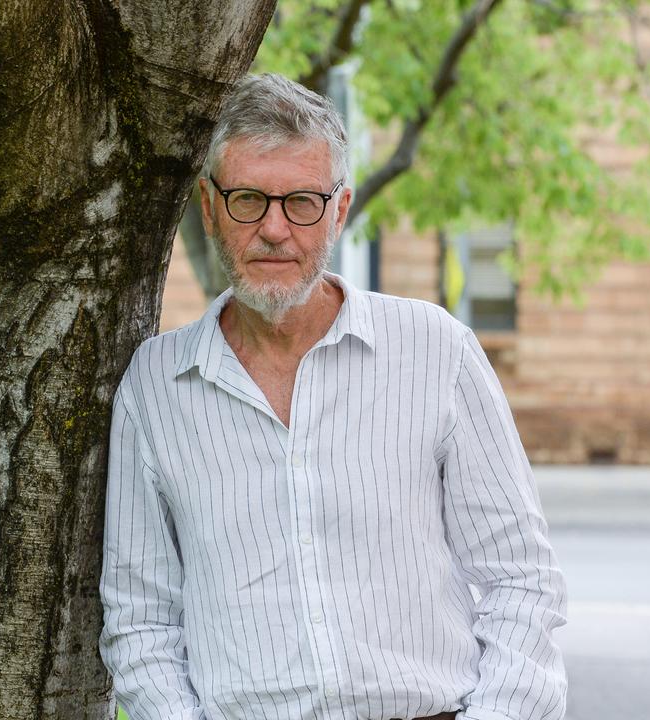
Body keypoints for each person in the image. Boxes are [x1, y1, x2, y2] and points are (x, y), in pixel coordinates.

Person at [99, 73, 567, 720]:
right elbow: (140, 619)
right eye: (247, 200)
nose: (273, 229)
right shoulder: (155, 388)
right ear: (208, 207)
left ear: (340, 210)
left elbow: (522, 581)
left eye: (302, 202)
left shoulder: (436, 351)